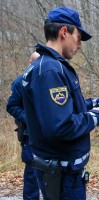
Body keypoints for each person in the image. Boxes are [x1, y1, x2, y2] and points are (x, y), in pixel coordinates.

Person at [21, 6, 99, 200]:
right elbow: (61, 126)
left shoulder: (47, 67)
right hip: (62, 176)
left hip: (61, 171)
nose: (79, 45)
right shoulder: (50, 71)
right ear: (64, 32)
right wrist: (96, 116)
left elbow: (64, 109)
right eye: (78, 38)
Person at [6, 52, 40, 200]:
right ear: (29, 62)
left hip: (50, 134)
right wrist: (29, 119)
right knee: (32, 172)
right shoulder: (20, 82)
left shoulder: (48, 80)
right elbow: (11, 106)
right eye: (36, 62)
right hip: (29, 134)